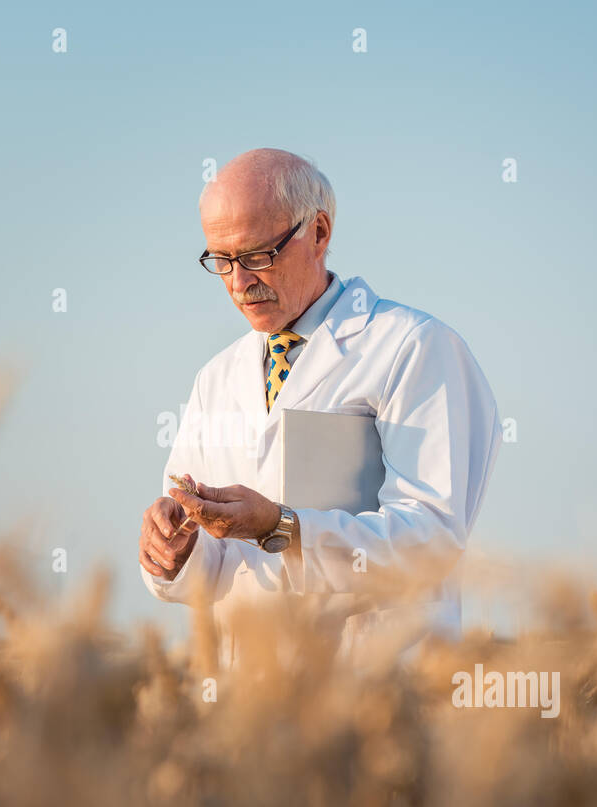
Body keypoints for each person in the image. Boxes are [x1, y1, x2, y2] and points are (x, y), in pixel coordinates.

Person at [138, 148, 501, 668]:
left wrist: (280, 528)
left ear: (320, 233)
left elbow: (431, 540)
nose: (239, 283)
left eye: (258, 255)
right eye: (222, 261)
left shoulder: (414, 347)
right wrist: (172, 554)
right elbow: (212, 569)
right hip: (251, 706)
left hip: (379, 693)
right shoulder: (215, 379)